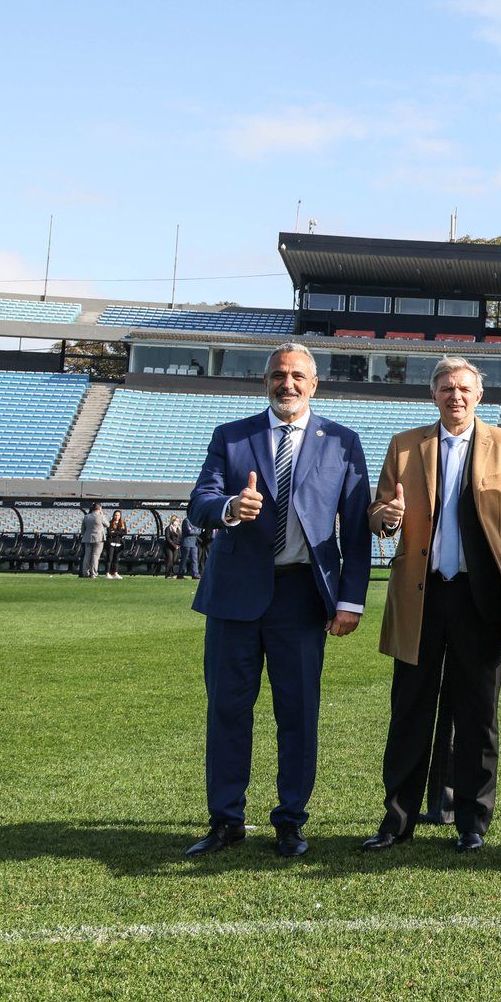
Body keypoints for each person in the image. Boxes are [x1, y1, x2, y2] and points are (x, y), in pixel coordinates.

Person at [183, 342, 373, 858]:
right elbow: (199, 502)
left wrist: (350, 601)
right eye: (277, 375)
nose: (286, 384)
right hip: (234, 596)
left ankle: (290, 820)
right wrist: (228, 506)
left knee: (297, 714)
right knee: (227, 711)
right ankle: (226, 819)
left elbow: (356, 531)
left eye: (296, 377)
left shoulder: (343, 442)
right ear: (265, 381)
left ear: (314, 385)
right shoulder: (231, 435)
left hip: (301, 596)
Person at [364, 356, 501, 855]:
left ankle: (472, 822)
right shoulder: (404, 446)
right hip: (420, 597)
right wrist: (389, 517)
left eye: (463, 388)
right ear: (433, 395)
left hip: (477, 598)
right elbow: (377, 514)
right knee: (409, 711)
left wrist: (500, 564)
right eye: (445, 388)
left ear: (478, 395)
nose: (455, 395)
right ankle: (397, 819)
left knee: (477, 714)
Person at [78, 504, 107, 579]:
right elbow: (107, 525)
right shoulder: (101, 516)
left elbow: (82, 530)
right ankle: (93, 573)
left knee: (87, 556)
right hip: (99, 538)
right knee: (95, 556)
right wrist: (102, 514)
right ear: (100, 508)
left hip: (87, 538)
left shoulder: (86, 517)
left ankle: (85, 573)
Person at [103, 507, 129, 579]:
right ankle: (107, 573)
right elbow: (109, 533)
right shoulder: (110, 523)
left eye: (118, 515)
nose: (117, 516)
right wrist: (118, 533)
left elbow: (124, 533)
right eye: (115, 515)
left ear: (120, 516)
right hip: (111, 543)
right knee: (109, 558)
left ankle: (115, 573)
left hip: (119, 543)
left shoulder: (123, 523)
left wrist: (115, 532)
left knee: (116, 559)